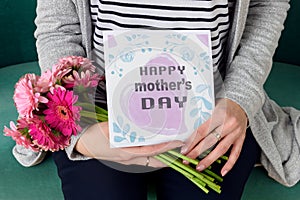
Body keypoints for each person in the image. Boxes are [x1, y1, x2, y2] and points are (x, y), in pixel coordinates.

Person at [13, 0, 300, 199]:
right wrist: (82, 129)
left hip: (211, 109)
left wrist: (239, 99)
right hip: (99, 111)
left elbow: (266, 6)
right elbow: (58, 25)